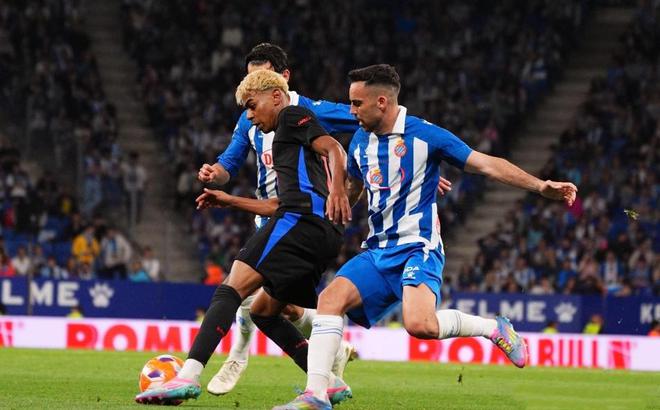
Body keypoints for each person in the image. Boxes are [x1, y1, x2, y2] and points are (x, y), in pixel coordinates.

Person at [276, 64, 578, 410]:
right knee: (330, 300)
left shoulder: (426, 136)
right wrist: (338, 202)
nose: (352, 111)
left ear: (382, 102)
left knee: (420, 325)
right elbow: (357, 186)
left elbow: (487, 164)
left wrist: (541, 186)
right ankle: (316, 394)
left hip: (418, 247)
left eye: (357, 104)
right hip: (378, 249)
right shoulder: (359, 141)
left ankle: (493, 327)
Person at [196, 43, 455, 395]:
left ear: (283, 78)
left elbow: (372, 119)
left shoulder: (309, 111)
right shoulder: (250, 116)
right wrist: (215, 173)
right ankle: (330, 356)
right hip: (268, 212)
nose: (251, 86)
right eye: (248, 78)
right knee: (279, 308)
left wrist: (408, 162)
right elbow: (230, 162)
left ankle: (236, 358)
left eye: (261, 77)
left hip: (301, 217)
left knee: (243, 293)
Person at [136, 69, 354, 406]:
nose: (249, 116)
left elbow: (335, 149)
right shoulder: (289, 141)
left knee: (230, 289)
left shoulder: (292, 116)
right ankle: (330, 382)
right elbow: (277, 204)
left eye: (252, 106)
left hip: (301, 224)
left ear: (276, 96)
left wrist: (338, 188)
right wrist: (228, 200)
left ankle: (188, 376)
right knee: (264, 312)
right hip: (317, 232)